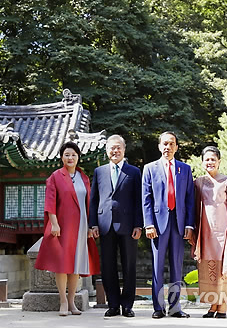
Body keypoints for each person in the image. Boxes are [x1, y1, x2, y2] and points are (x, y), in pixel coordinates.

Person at [34, 142, 100, 316]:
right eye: (67, 155)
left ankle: (72, 302)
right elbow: (50, 202)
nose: (70, 158)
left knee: (76, 265)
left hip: (81, 225)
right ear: (61, 157)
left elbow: (89, 203)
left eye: (73, 155)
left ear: (78, 157)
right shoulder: (55, 176)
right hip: (62, 226)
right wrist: (54, 223)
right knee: (62, 265)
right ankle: (63, 301)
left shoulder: (83, 177)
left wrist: (90, 226)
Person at [142, 131, 195, 319]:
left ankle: (174, 307)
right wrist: (148, 224)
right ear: (159, 146)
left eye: (171, 144)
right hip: (157, 224)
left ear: (177, 147)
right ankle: (158, 307)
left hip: (179, 224)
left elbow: (190, 199)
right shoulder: (150, 168)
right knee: (157, 266)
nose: (168, 147)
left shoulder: (185, 169)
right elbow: (146, 199)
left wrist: (190, 225)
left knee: (176, 266)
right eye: (164, 144)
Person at [89, 135, 143, 318]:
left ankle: (127, 305)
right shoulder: (99, 172)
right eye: (112, 148)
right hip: (105, 224)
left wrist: (139, 224)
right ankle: (113, 304)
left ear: (124, 150)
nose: (115, 151)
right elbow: (94, 200)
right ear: (106, 150)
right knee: (108, 266)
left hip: (128, 225)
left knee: (129, 265)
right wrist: (93, 224)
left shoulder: (134, 172)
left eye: (118, 148)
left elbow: (138, 200)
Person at [191, 146, 227, 319]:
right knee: (209, 268)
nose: (210, 162)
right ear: (202, 162)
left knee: (224, 267)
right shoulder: (197, 182)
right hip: (205, 232)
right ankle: (213, 304)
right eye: (206, 159)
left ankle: (222, 306)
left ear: (219, 162)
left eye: (213, 159)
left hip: (223, 232)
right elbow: (193, 206)